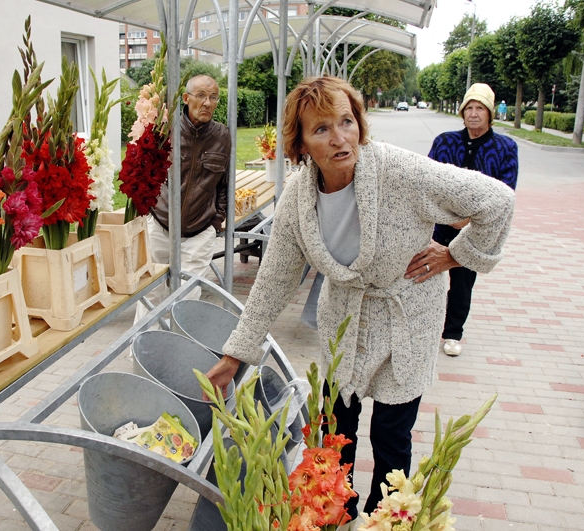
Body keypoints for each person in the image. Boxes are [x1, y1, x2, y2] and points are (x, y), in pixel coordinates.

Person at [205, 76, 515, 520]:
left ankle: (384, 521)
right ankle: (332, 517)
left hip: (406, 318)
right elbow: (274, 279)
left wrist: (457, 254)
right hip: (345, 324)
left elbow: (497, 201)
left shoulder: (398, 170)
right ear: (301, 145)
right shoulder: (297, 196)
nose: (340, 139)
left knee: (392, 437)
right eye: (322, 129)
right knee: (335, 435)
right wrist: (235, 354)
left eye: (346, 122)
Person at [429, 83, 518, 357]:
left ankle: (453, 334)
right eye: (469, 108)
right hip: (439, 225)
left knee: (462, 283)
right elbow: (428, 182)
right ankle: (420, 325)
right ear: (462, 112)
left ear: (490, 114)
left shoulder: (505, 147)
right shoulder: (445, 142)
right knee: (422, 272)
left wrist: (468, 221)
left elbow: (506, 192)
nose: (474, 114)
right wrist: (447, 217)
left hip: (475, 231)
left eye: (480, 108)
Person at [135, 75, 231, 322]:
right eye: (201, 96)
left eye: (213, 97)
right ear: (186, 99)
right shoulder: (166, 129)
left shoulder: (222, 136)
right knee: (151, 293)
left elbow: (225, 184)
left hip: (199, 230)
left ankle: (179, 354)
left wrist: (215, 221)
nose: (208, 103)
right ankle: (138, 352)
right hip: (160, 223)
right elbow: (143, 172)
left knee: (187, 296)